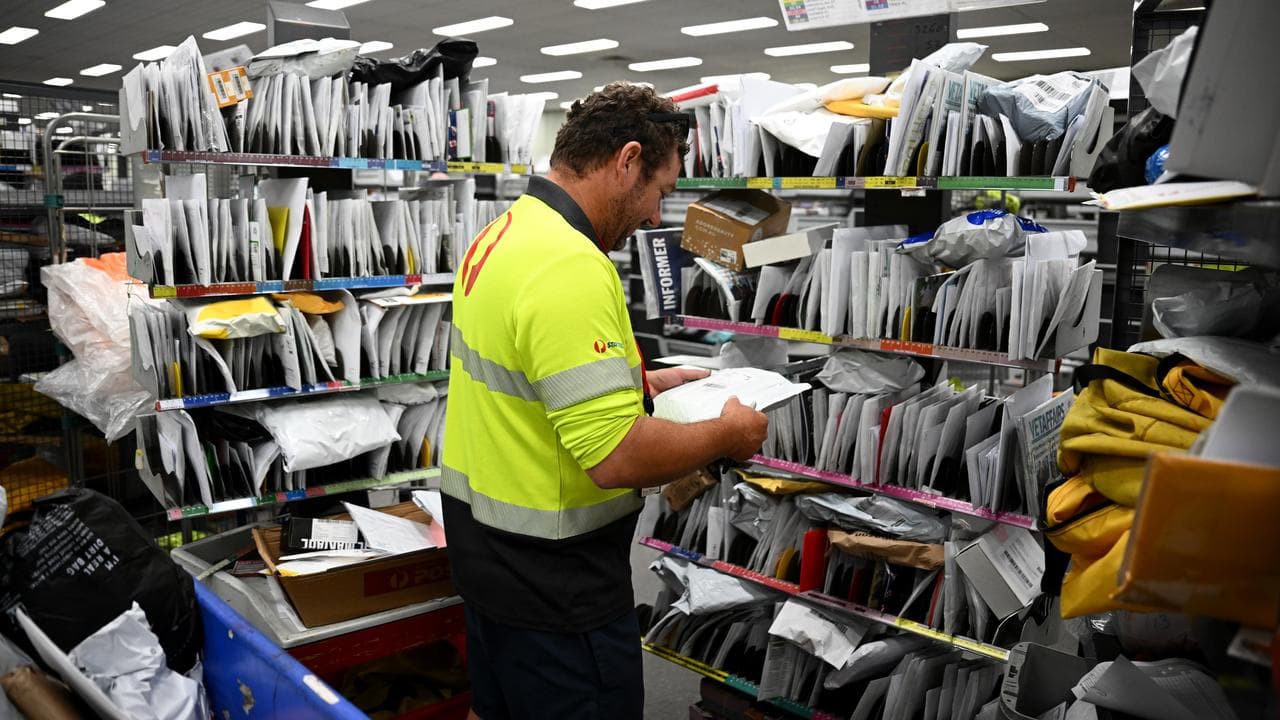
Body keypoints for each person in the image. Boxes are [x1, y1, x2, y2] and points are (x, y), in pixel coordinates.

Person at [440, 83, 770, 720]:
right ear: (627, 160)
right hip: (557, 585)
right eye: (659, 191)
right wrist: (730, 433)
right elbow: (616, 456)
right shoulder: (568, 264)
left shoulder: (504, 233)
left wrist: (639, 387)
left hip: (488, 559)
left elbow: (525, 380)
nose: (653, 216)